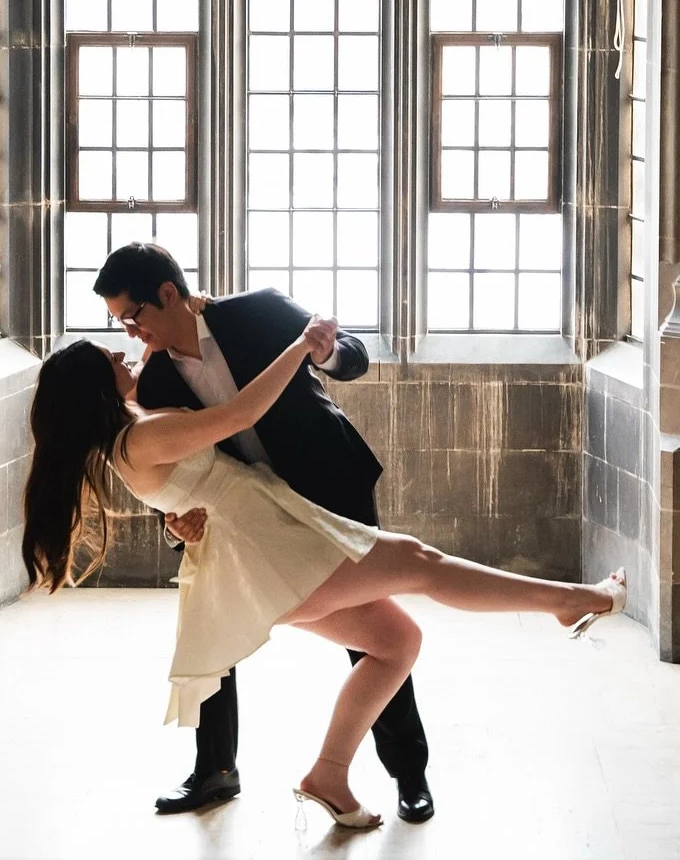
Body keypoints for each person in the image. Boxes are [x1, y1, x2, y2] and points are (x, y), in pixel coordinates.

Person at [21, 316, 627, 830]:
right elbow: (241, 413)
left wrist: (184, 521)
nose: (122, 352)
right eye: (108, 357)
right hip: (274, 552)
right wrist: (300, 345)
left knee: (397, 641)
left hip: (266, 552)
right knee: (422, 563)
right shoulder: (142, 436)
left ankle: (329, 776)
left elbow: (184, 490)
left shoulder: (131, 434)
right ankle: (570, 600)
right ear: (94, 387)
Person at [89, 242, 435, 823]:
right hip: (243, 516)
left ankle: (409, 773)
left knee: (373, 630)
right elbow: (170, 471)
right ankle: (215, 772)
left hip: (331, 488)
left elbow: (351, 355)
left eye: (133, 316)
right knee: (214, 618)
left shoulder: (259, 311)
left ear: (168, 294)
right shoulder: (151, 384)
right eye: (120, 322)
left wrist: (325, 352)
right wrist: (176, 523)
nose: (131, 333)